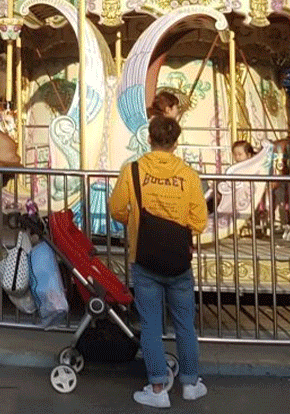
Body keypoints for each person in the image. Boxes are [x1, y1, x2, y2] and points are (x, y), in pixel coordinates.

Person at [108, 117, 208, 408]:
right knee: (185, 324)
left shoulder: (134, 170)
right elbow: (199, 221)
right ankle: (190, 382)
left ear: (149, 138)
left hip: (145, 258)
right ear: (176, 142)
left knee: (151, 325)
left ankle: (157, 388)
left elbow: (116, 209)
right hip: (178, 260)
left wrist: (137, 223)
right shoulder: (188, 175)